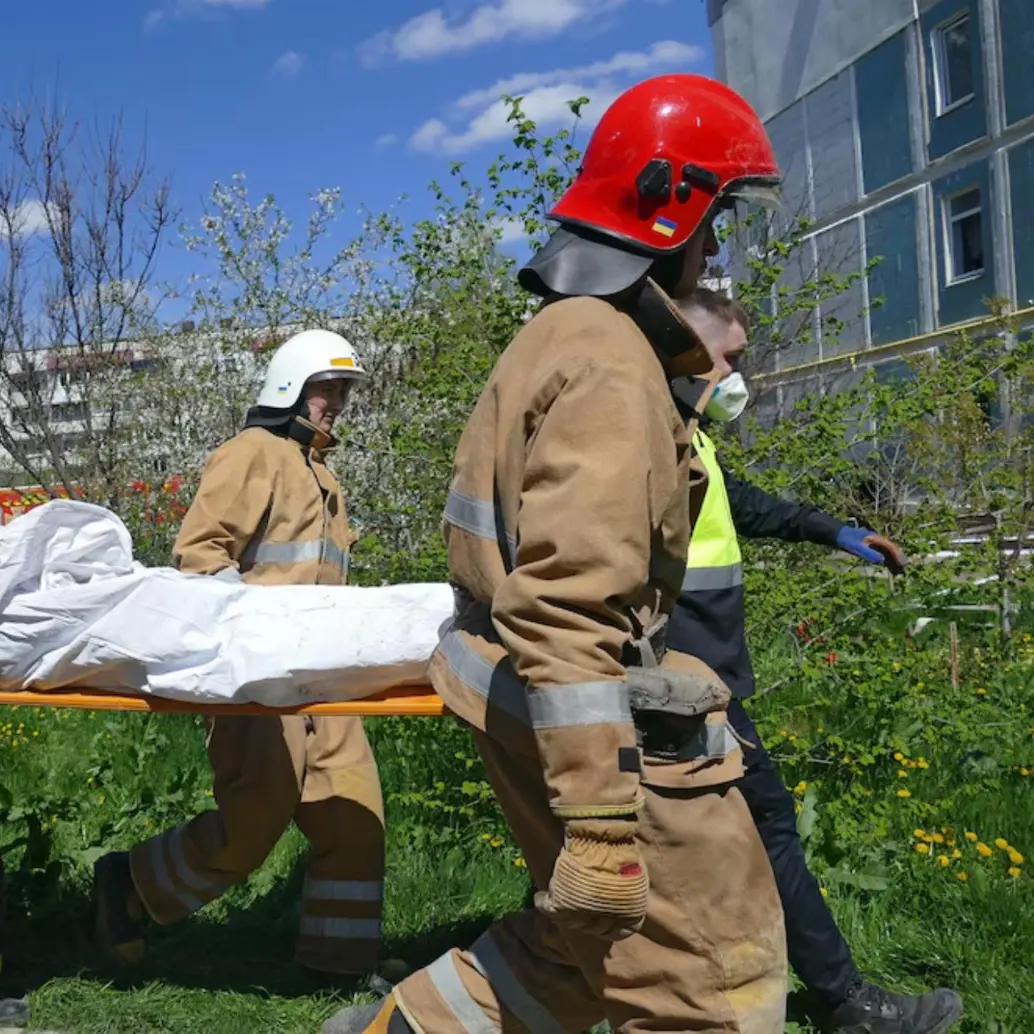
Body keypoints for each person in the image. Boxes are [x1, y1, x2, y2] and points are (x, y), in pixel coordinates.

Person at [323, 73, 789, 1034]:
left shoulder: (561, 335)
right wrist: (603, 822)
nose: (717, 254)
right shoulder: (611, 363)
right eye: (720, 221)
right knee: (711, 986)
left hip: (519, 691)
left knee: (586, 958)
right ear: (679, 216)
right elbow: (567, 606)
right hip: (591, 727)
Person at [667, 288, 964, 1034]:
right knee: (764, 827)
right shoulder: (654, 437)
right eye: (731, 357)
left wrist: (838, 532)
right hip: (683, 683)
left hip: (703, 678)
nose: (741, 375)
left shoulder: (690, 436)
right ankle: (846, 1003)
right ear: (691, 351)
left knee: (656, 841)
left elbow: (746, 507)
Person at [93, 330, 387, 981]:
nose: (336, 401)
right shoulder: (252, 453)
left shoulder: (325, 478)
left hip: (323, 680)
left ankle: (335, 967)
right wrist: (250, 637)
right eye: (325, 388)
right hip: (258, 681)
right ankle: (129, 885)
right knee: (251, 829)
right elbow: (200, 554)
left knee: (356, 819)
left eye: (343, 390)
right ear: (289, 386)